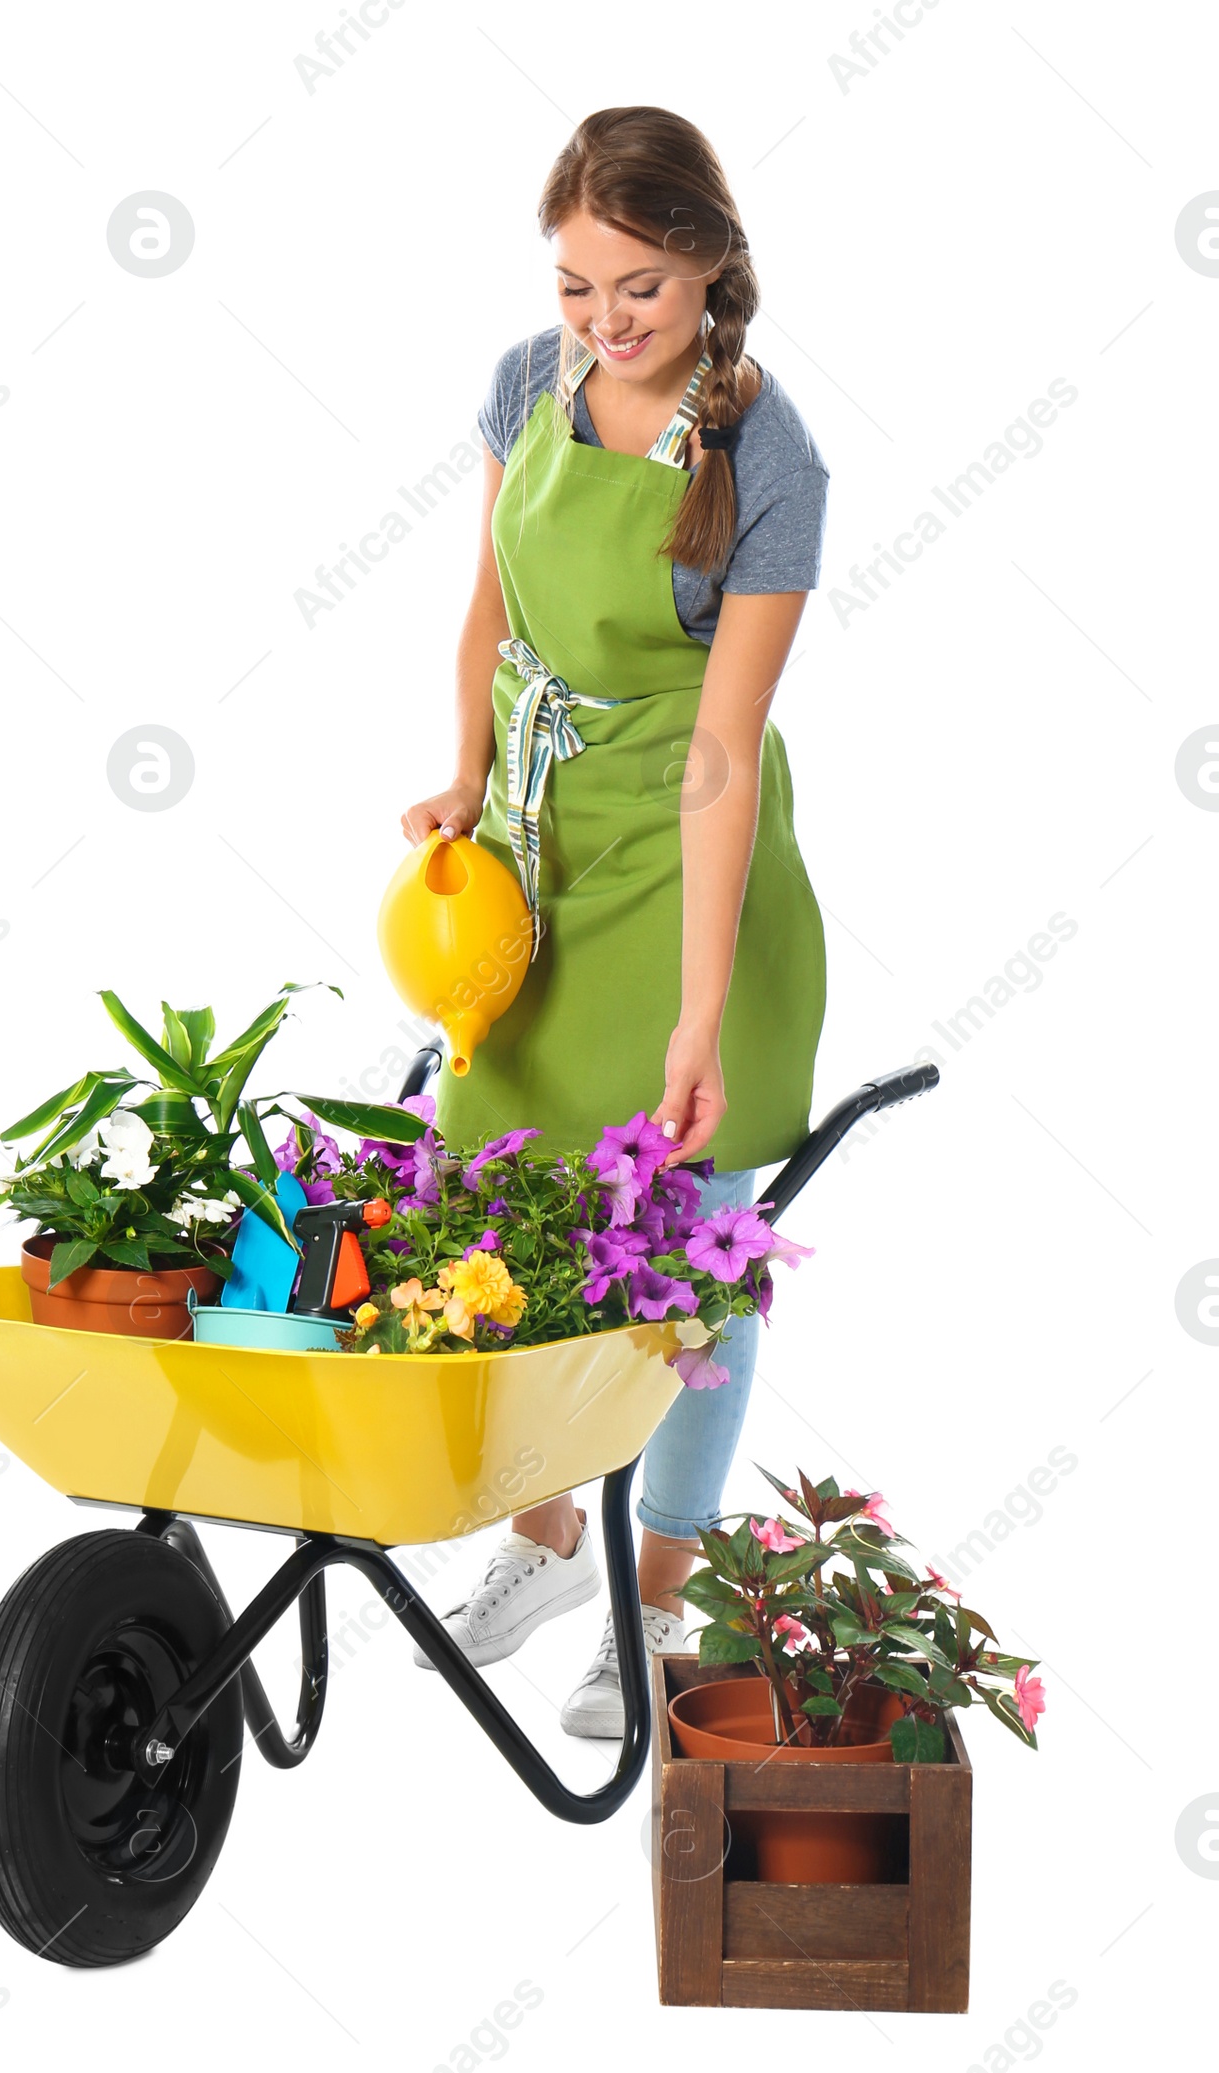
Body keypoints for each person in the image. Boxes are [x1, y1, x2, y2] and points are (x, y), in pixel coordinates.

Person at [399, 106, 828, 1737]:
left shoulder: (768, 459)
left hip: (694, 876)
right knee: (507, 1207)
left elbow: (721, 758)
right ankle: (544, 1535)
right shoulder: (527, 383)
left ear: (711, 262)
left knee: (688, 1254)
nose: (604, 321)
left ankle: (651, 1605)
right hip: (545, 859)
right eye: (578, 285)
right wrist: (461, 777)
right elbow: (490, 610)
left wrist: (698, 1017)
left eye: (637, 286)